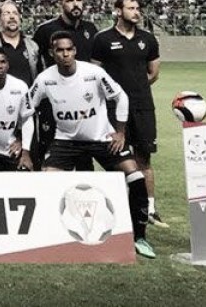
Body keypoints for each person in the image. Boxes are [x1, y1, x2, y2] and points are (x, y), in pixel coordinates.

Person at [26, 32, 154, 258]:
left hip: (103, 139)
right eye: (59, 50)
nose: (65, 54)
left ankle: (139, 236)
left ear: (75, 51)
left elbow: (120, 97)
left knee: (135, 178)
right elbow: (27, 109)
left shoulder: (93, 73)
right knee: (46, 180)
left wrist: (120, 132)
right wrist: (21, 139)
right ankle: (51, 234)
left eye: (69, 50)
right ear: (51, 53)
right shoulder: (45, 79)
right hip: (66, 141)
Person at [92, 0, 165, 228]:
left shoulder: (148, 39)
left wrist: (136, 90)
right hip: (113, 110)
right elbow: (96, 75)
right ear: (118, 11)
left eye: (137, 8)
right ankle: (119, 206)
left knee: (144, 157)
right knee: (117, 157)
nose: (136, 12)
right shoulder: (102, 39)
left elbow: (153, 72)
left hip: (143, 106)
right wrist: (117, 95)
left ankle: (149, 208)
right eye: (131, 8)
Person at [31, 0, 99, 169]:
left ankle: (84, 196)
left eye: (78, 0)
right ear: (60, 4)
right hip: (54, 103)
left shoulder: (91, 29)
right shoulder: (45, 30)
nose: (75, 4)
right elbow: (35, 64)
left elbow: (96, 66)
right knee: (51, 152)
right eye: (70, 1)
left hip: (84, 103)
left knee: (84, 157)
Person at [0, 0, 38, 86]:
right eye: (7, 13)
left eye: (15, 13)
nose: (12, 17)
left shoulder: (33, 46)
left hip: (26, 97)